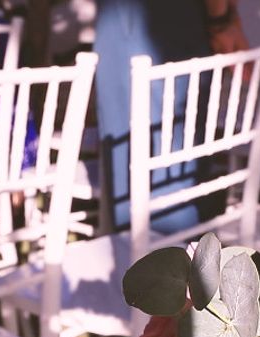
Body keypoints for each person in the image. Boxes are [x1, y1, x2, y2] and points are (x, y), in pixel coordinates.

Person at [94, 0, 248, 232]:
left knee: (150, 167)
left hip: (144, 28)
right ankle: (172, 252)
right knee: (165, 164)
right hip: (157, 28)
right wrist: (222, 20)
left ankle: (162, 253)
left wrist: (222, 20)